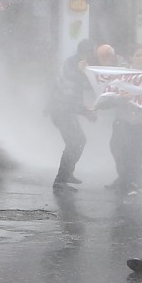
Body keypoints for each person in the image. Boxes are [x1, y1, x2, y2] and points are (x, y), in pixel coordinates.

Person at [49, 39, 97, 190]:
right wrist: (86, 112)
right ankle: (60, 180)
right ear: (87, 52)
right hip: (61, 110)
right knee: (74, 142)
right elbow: (68, 95)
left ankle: (67, 173)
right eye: (93, 52)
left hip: (63, 110)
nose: (94, 55)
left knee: (79, 141)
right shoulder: (74, 66)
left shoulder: (76, 64)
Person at [107, 44, 142, 195]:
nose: (141, 58)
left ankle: (135, 181)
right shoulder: (122, 73)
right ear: (131, 58)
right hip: (123, 118)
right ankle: (123, 177)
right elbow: (108, 86)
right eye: (138, 55)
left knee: (138, 151)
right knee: (117, 148)